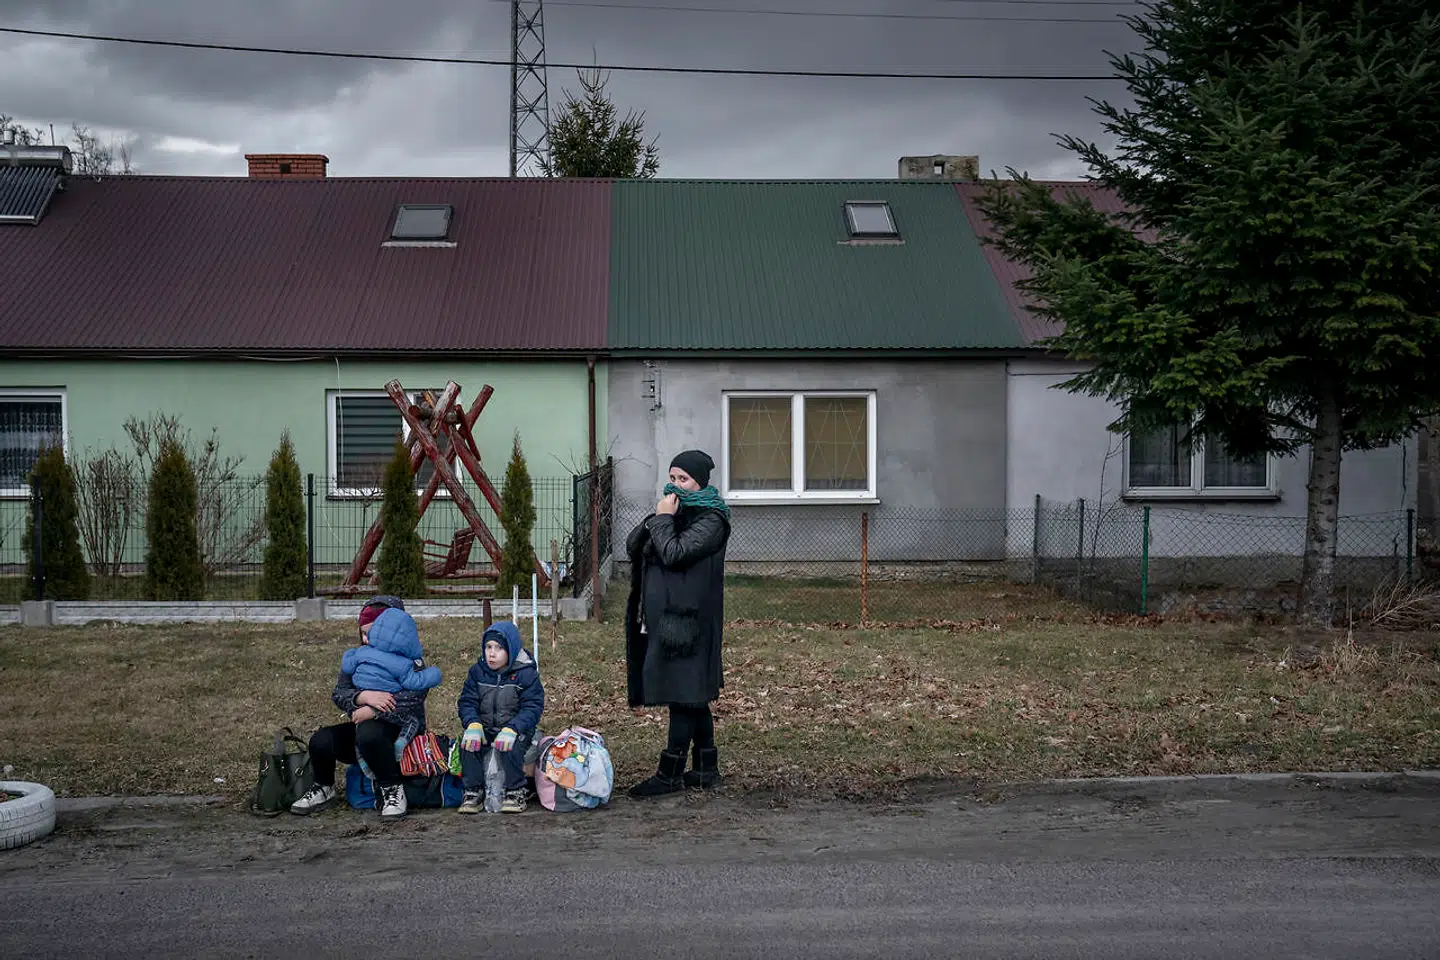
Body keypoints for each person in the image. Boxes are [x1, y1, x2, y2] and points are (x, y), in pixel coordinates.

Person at [624, 449, 731, 797]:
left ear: (699, 481)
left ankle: (669, 773)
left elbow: (674, 552)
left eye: (683, 479)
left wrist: (663, 520)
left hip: (690, 622)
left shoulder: (712, 519)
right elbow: (633, 547)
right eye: (672, 478)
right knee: (691, 694)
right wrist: (652, 520)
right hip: (667, 620)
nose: (676, 486)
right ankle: (705, 769)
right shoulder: (673, 511)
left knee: (683, 693)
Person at [290, 595, 432, 821]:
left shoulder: (410, 660)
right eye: (363, 633)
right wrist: (361, 696)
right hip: (362, 729)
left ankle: (392, 788)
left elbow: (413, 697)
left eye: (373, 633)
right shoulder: (359, 659)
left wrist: (376, 710)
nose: (367, 640)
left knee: (369, 734)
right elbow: (339, 692)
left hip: (401, 733)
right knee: (321, 740)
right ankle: (324, 787)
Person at [456, 619, 545, 814]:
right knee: (469, 746)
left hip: (516, 728)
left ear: (511, 650)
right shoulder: (477, 672)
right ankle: (473, 790)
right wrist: (472, 724)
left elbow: (533, 707)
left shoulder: (526, 674)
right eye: (488, 647)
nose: (492, 653)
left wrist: (514, 728)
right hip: (485, 726)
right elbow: (467, 701)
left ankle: (515, 790)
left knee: (511, 748)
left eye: (498, 648)